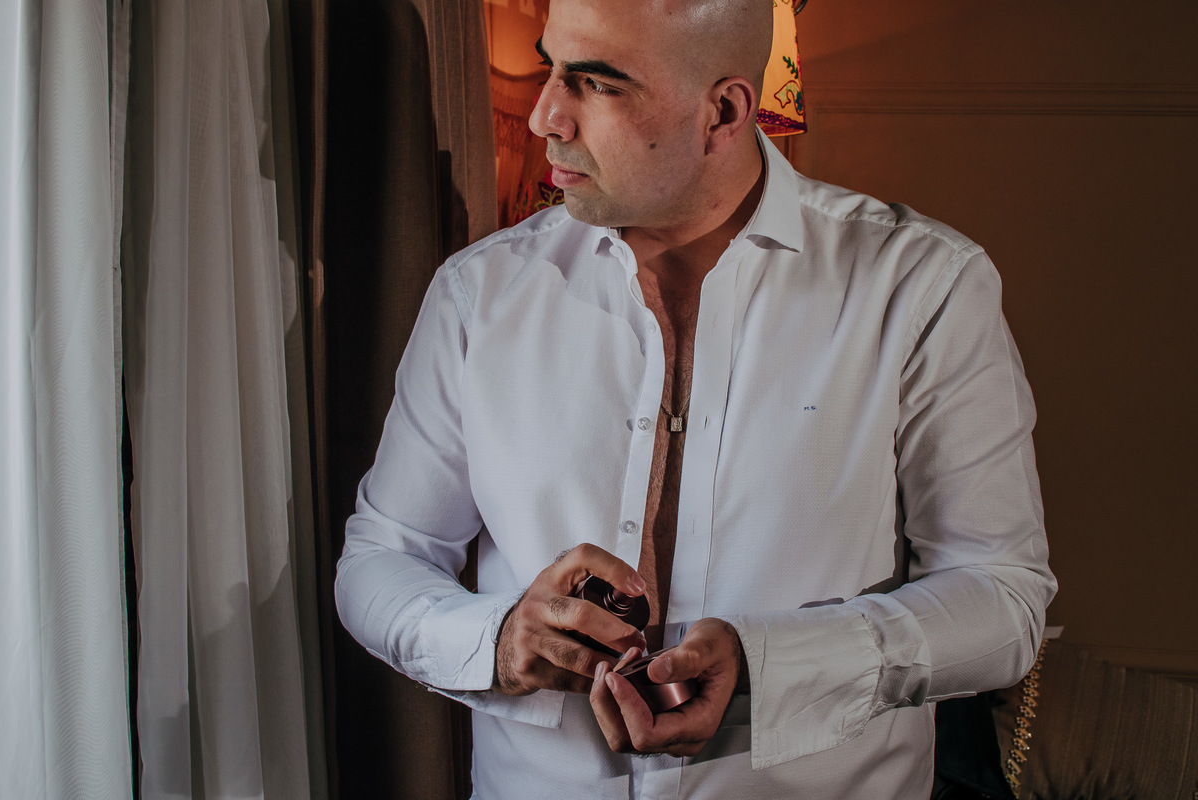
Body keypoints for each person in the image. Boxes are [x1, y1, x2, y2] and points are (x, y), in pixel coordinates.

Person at [334, 0, 1057, 796]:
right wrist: (499, 640)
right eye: (550, 67)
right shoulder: (479, 294)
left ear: (724, 112)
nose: (545, 116)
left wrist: (770, 665)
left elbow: (1003, 599)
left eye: (597, 83)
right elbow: (381, 558)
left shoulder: (922, 288)